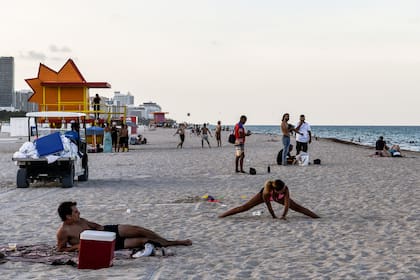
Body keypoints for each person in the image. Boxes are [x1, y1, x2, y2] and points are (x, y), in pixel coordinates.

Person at [56, 201, 192, 253]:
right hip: (102, 244)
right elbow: (60, 249)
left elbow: (94, 225)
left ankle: (168, 241)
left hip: (107, 231)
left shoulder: (80, 220)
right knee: (143, 240)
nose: (78, 212)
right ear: (68, 216)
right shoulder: (63, 231)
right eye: (75, 211)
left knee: (138, 229)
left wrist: (99, 228)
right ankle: (173, 243)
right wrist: (77, 247)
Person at [219, 179, 320, 219]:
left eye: (285, 188)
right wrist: (274, 216)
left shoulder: (285, 189)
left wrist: (283, 215)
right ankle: (222, 216)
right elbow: (269, 206)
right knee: (245, 207)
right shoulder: (266, 192)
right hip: (266, 195)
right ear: (276, 190)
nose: (285, 190)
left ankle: (316, 217)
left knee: (298, 207)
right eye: (282, 190)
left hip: (277, 197)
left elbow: (287, 204)